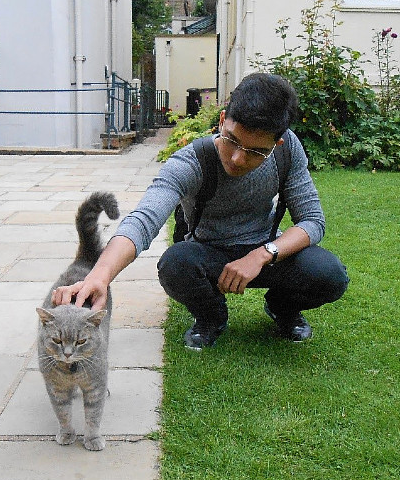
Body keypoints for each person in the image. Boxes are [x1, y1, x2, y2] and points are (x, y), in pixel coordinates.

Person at [51, 72, 349, 349]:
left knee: (329, 274)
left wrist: (261, 254)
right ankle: (211, 317)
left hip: (266, 252)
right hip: (209, 255)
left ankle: (283, 309)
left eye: (256, 151)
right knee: (175, 263)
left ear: (277, 142)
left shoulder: (287, 150)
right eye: (232, 140)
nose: (237, 158)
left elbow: (312, 220)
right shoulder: (191, 163)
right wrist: (99, 277)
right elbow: (143, 221)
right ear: (222, 120)